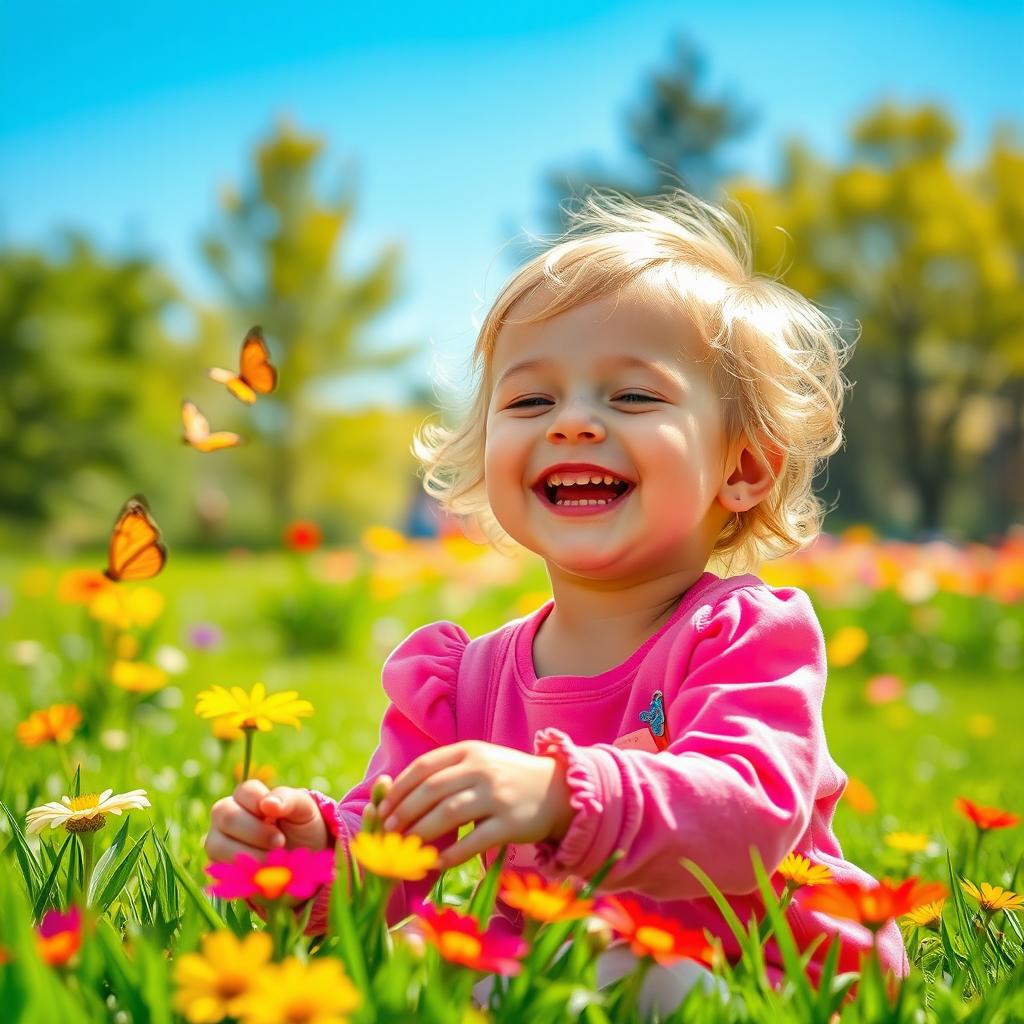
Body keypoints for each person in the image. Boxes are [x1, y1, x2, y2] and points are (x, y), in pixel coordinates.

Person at [205, 189, 908, 1011]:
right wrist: (312, 853)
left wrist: (559, 797)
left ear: (743, 469)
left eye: (634, 396)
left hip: (765, 966)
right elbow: (396, 843)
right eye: (531, 400)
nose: (572, 423)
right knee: (416, 956)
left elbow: (750, 815)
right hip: (564, 957)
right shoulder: (465, 679)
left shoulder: (744, 634)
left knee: (610, 976)